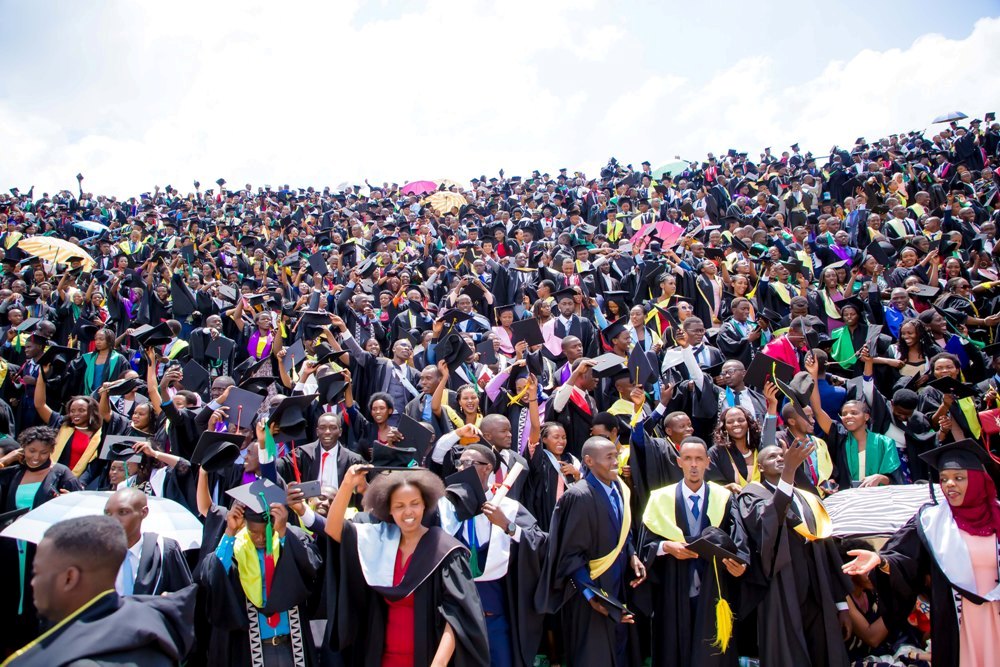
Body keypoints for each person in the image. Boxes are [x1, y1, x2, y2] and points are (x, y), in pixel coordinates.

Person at [843, 439, 1000, 667]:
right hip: (958, 619)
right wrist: (880, 560)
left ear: (976, 480)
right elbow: (905, 557)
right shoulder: (933, 520)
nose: (949, 485)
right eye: (944, 478)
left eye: (959, 478)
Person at [325, 465, 490, 667]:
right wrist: (347, 484)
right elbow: (333, 529)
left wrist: (438, 664)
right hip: (381, 658)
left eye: (415, 503)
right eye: (399, 506)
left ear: (425, 505)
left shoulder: (444, 550)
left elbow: (459, 616)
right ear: (389, 510)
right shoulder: (380, 541)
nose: (408, 512)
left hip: (427, 657)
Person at [3, 515, 196, 666]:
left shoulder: (73, 660)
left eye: (37, 573)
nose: (33, 583)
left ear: (69, 578)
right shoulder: (154, 632)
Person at [737, 442, 853, 667]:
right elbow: (766, 525)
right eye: (773, 457)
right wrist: (789, 472)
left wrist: (841, 605)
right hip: (781, 590)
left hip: (818, 590)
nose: (780, 459)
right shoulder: (751, 495)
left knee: (825, 653)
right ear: (760, 468)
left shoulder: (807, 498)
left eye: (783, 455)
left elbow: (828, 550)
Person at [537, 436, 646, 667]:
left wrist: (632, 553)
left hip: (619, 586)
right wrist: (591, 596)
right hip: (589, 591)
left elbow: (624, 531)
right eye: (608, 457)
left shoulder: (620, 489)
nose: (615, 462)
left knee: (621, 651)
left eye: (615, 456)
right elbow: (570, 555)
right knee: (593, 656)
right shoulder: (578, 496)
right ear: (589, 460)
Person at [639, 437, 749, 666]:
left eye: (699, 459)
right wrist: (665, 547)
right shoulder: (660, 499)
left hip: (713, 585)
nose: (693, 464)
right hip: (673, 585)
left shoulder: (723, 497)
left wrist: (741, 564)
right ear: (679, 462)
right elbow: (644, 545)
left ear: (708, 462)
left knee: (712, 651)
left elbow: (739, 540)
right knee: (674, 649)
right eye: (688, 459)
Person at [437, 443, 547, 667]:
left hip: (495, 609)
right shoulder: (442, 507)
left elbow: (541, 543)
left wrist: (508, 525)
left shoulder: (508, 507)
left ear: (488, 468)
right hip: (453, 609)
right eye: (460, 463)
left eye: (469, 463)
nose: (461, 468)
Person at [195, 481, 322, 666]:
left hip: (292, 645)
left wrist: (283, 532)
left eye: (266, 532)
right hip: (250, 647)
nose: (261, 538)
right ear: (245, 525)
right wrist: (229, 533)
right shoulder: (237, 548)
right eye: (254, 533)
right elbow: (212, 576)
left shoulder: (291, 537)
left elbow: (310, 566)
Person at [0, 426, 83, 656]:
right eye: (31, 451)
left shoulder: (62, 473)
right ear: (22, 450)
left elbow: (77, 507)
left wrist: (70, 500)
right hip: (11, 546)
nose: (36, 457)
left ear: (52, 451)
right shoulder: (14, 472)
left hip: (45, 548)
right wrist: (6, 460)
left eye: (43, 452)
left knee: (38, 596)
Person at [103, 487, 193, 595]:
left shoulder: (164, 549)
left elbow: (185, 597)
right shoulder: (97, 555)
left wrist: (169, 600)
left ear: (144, 512)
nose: (113, 520)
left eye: (122, 512)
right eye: (108, 514)